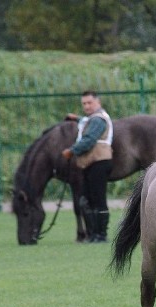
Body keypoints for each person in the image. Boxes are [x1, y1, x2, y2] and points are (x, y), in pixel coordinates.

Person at [62, 90, 114, 243]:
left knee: (98, 199)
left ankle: (101, 235)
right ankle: (94, 234)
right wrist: (76, 118)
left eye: (89, 102)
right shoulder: (94, 118)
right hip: (92, 163)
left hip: (99, 162)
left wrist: (71, 151)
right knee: (88, 199)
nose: (86, 106)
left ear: (98, 102)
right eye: (84, 103)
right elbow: (86, 122)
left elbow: (89, 138)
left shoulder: (98, 120)